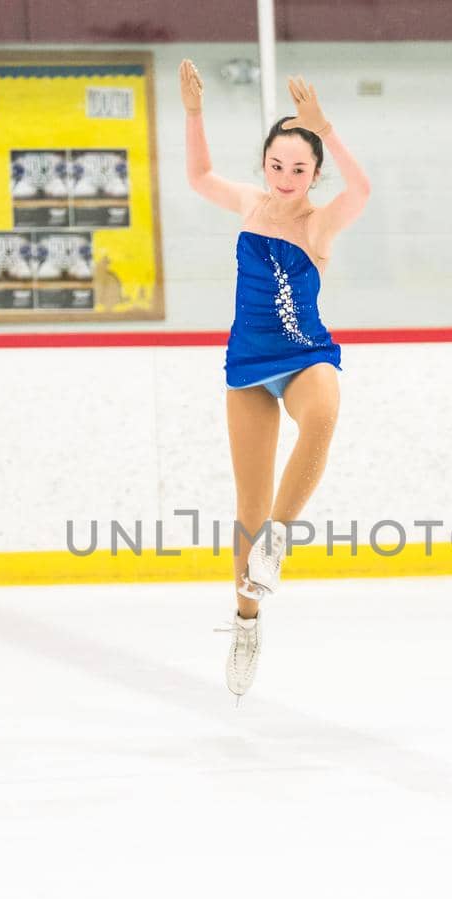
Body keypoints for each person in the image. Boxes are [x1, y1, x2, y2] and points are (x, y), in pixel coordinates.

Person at [180, 58, 371, 700]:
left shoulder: (320, 223)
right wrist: (194, 113)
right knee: (246, 509)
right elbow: (200, 175)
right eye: (278, 166)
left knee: (323, 414)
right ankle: (245, 624)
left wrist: (327, 128)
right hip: (247, 367)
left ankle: (278, 541)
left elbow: (362, 192)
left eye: (301, 169)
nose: (287, 179)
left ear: (315, 173)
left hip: (306, 354)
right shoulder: (250, 204)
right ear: (265, 165)